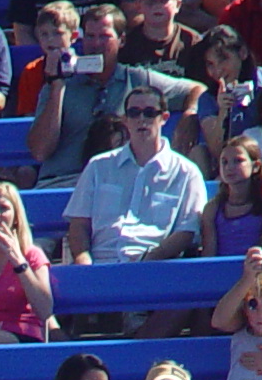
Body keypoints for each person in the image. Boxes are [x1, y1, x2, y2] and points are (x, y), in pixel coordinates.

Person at [64, 86, 207, 266]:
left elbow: (187, 231)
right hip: (99, 266)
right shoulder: (98, 166)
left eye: (149, 113)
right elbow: (79, 223)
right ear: (125, 120)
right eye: (134, 113)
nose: (141, 119)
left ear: (164, 118)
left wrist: (150, 260)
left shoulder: (187, 172)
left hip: (155, 268)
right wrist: (83, 260)